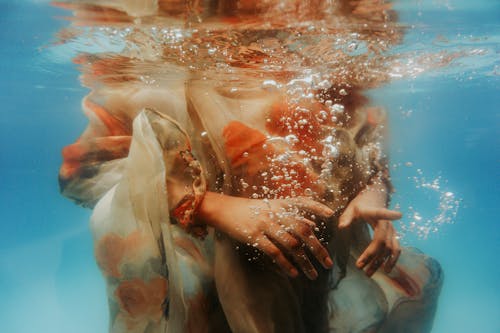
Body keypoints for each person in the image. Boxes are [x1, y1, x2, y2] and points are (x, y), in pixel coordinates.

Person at [56, 1, 443, 332]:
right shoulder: (151, 80)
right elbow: (87, 173)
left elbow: (363, 146)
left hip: (310, 271)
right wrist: (213, 207)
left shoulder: (322, 75)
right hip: (199, 280)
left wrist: (374, 200)